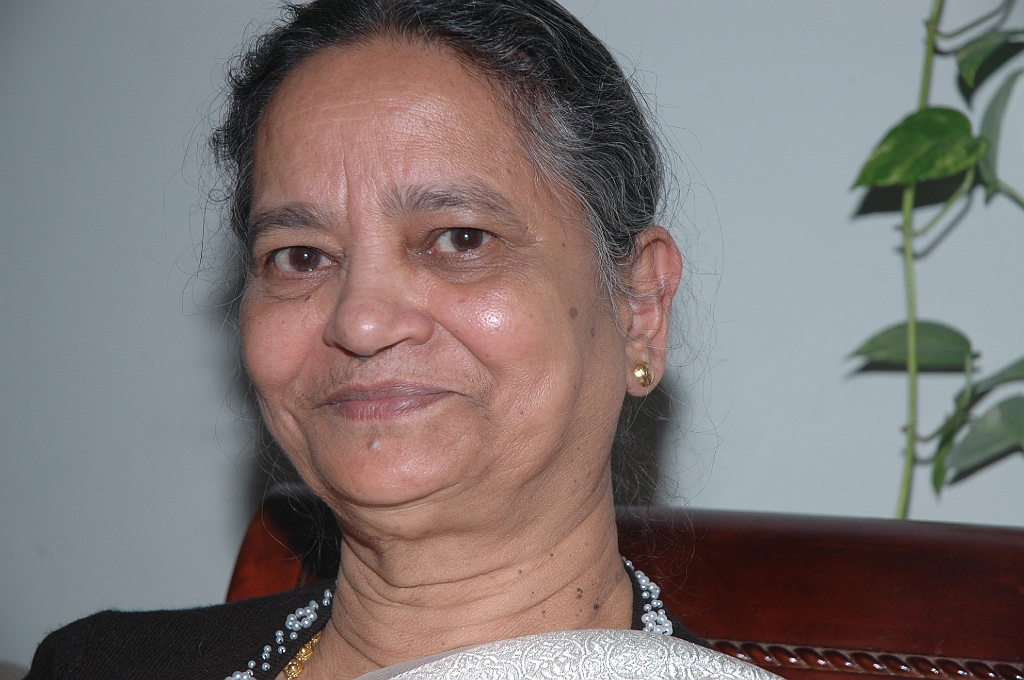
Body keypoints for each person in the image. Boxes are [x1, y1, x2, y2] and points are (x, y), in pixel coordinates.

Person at [25, 2, 776, 678]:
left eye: (459, 239)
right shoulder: (99, 665)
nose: (359, 321)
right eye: (300, 256)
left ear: (640, 306)